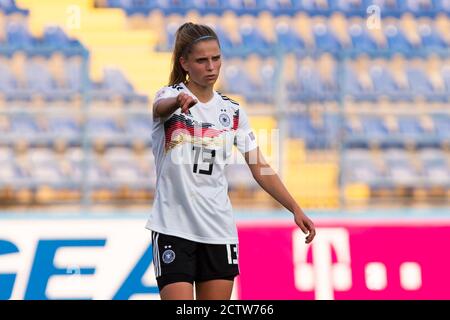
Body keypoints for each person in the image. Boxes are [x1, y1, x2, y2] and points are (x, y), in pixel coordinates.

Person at [146, 22, 316, 300]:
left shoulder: (233, 112)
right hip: (173, 227)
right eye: (202, 60)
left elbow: (260, 168)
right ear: (185, 63)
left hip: (218, 230)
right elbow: (159, 108)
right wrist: (179, 101)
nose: (211, 66)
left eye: (216, 58)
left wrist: (295, 208)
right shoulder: (169, 97)